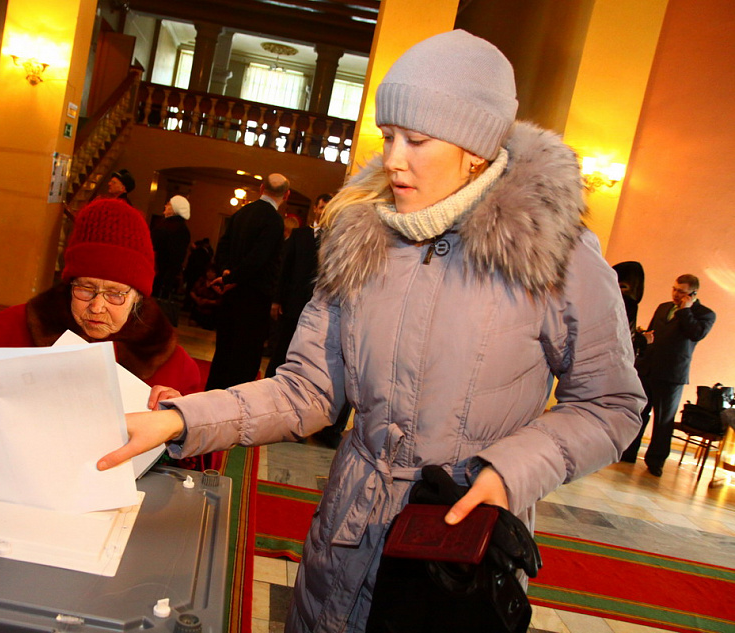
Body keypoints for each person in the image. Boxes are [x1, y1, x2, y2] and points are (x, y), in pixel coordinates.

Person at [97, 30, 644, 633]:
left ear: (476, 149)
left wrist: (509, 471)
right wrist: (181, 420)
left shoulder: (556, 256)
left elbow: (611, 403)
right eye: (389, 136)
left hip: (455, 547)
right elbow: (305, 390)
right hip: (345, 537)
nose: (393, 159)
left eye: (418, 139)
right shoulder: (361, 239)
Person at [0, 198, 202, 403]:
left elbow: (203, 460)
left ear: (138, 298)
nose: (98, 307)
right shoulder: (16, 329)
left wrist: (179, 424)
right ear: (68, 283)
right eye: (85, 288)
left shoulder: (172, 364)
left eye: (116, 294)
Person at [621, 274, 715, 476]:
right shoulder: (664, 307)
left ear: (693, 293)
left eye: (681, 292)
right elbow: (653, 333)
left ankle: (656, 461)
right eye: (674, 289)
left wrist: (685, 311)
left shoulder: (704, 314)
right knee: (639, 412)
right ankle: (628, 452)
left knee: (664, 419)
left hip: (672, 374)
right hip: (648, 368)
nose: (676, 294)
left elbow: (696, 334)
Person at [205, 174, 288, 390]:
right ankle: (234, 404)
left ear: (261, 188)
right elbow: (258, 259)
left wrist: (226, 274)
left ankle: (212, 394)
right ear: (286, 195)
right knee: (245, 356)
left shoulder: (242, 212)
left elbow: (223, 245)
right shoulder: (274, 221)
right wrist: (233, 278)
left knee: (224, 350)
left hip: (231, 295)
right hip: (254, 298)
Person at [266, 193, 332, 378]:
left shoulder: (335, 240)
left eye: (329, 209)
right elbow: (284, 269)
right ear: (315, 209)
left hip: (319, 306)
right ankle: (272, 380)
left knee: (307, 352)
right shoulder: (299, 235)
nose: (324, 212)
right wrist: (277, 301)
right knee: (282, 348)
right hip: (292, 303)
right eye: (322, 207)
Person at [151, 195, 191, 299]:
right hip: (158, 273)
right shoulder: (170, 225)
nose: (165, 206)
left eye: (168, 204)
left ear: (174, 209)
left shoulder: (177, 228)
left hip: (160, 275)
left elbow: (175, 259)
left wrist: (165, 280)